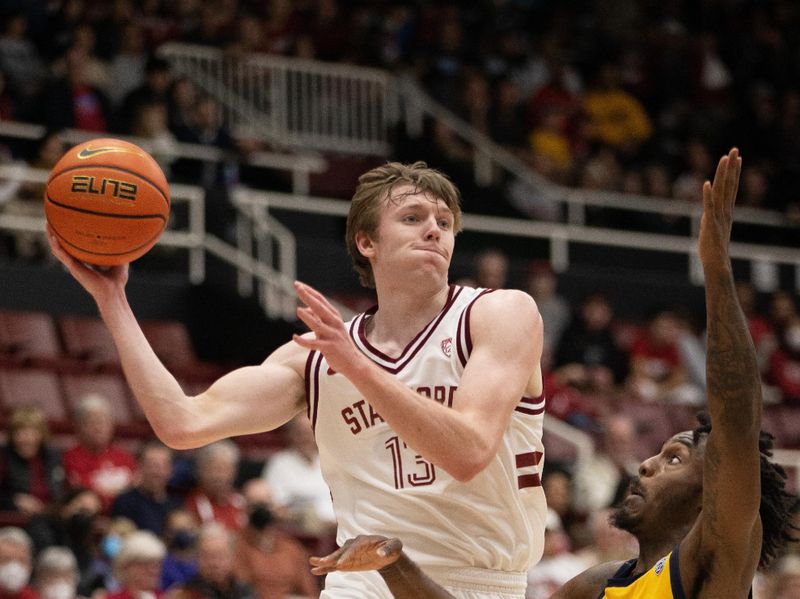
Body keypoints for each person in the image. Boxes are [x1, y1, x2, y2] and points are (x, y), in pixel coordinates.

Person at [305, 149, 797, 599]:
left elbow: (736, 420)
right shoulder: (598, 585)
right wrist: (396, 566)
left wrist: (717, 273)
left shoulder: (716, 565)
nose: (646, 465)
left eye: (673, 460)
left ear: (714, 491)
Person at [48, 160, 546, 598]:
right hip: (363, 582)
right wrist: (113, 301)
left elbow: (468, 451)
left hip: (482, 582)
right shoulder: (314, 358)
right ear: (366, 241)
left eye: (444, 222)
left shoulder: (500, 314)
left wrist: (355, 365)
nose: (434, 230)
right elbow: (182, 422)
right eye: (413, 218)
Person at [62, 394, 136, 511]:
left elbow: (136, 490)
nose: (98, 428)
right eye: (92, 422)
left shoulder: (125, 457)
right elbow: (83, 493)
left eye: (103, 422)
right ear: (79, 426)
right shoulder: (70, 458)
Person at [0, 406, 64, 516]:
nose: (26, 439)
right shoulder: (3, 456)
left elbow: (64, 491)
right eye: (19, 432)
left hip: (51, 518)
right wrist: (14, 501)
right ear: (12, 436)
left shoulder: (53, 457)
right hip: (17, 519)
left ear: (41, 434)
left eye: (31, 433)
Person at [112, 440, 182, 536]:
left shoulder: (176, 504)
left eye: (162, 465)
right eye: (151, 465)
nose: (156, 472)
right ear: (140, 466)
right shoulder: (125, 502)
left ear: (170, 470)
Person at [0, 527, 36, 599]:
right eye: (6, 559)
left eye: (21, 561)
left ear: (30, 566)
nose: (14, 567)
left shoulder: (32, 596)